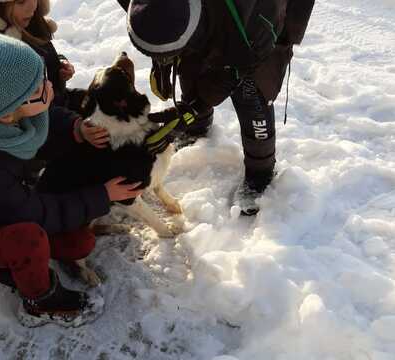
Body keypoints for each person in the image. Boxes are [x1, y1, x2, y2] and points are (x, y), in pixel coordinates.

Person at [0, 26, 142, 327]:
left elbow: (39, 121)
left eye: (43, 79)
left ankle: (19, 261)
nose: (48, 89)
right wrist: (103, 196)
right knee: (27, 240)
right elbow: (35, 212)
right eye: (37, 90)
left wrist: (76, 129)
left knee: (78, 244)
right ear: (6, 113)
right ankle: (41, 301)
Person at [118, 0, 315, 215]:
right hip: (205, 18)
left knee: (252, 92)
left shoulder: (254, 21)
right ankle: (198, 127)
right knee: (190, 66)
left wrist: (198, 106)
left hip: (257, 24)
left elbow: (237, 69)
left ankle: (261, 171)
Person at [0, 0, 84, 111]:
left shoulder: (29, 21)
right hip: (33, 125)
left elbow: (42, 53)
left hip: (57, 103)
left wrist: (58, 64)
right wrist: (74, 126)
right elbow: (18, 111)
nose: (32, 6)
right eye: (20, 1)